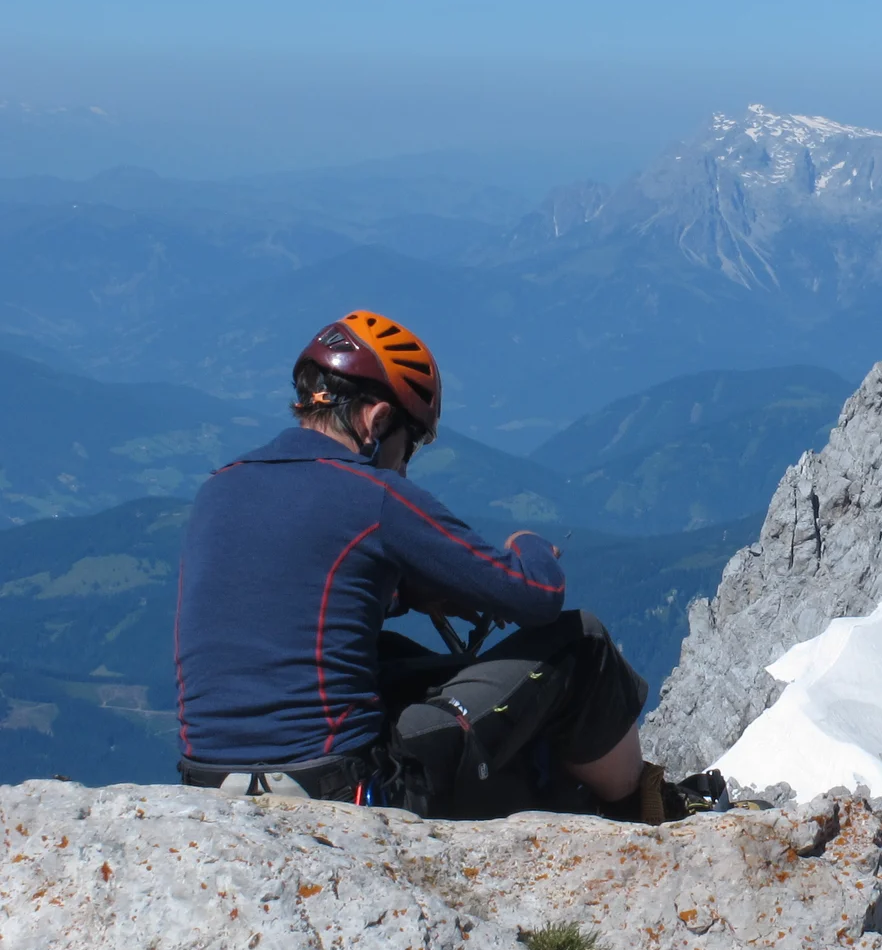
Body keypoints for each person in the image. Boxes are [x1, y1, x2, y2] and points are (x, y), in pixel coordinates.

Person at [172, 310, 699, 822]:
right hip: (342, 788)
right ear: (377, 421)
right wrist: (529, 543)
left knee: (389, 651)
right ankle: (634, 812)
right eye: (413, 441)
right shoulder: (373, 493)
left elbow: (291, 599)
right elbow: (537, 594)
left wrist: (405, 596)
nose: (406, 463)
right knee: (582, 644)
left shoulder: (219, 488)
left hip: (206, 785)